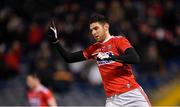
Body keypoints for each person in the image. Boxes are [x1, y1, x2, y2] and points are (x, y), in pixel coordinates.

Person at [47, 13, 151, 107]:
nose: (93, 32)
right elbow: (69, 58)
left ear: (106, 27)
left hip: (132, 93)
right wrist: (56, 41)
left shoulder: (118, 41)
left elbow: (135, 58)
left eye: (96, 28)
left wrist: (112, 57)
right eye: (91, 30)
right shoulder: (93, 49)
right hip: (113, 100)